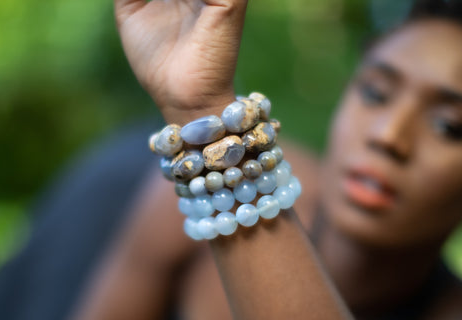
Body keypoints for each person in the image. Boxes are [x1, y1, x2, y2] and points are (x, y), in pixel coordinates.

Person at [71, 0, 462, 319]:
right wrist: (197, 105)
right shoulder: (186, 195)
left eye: (449, 126)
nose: (388, 136)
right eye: (376, 94)